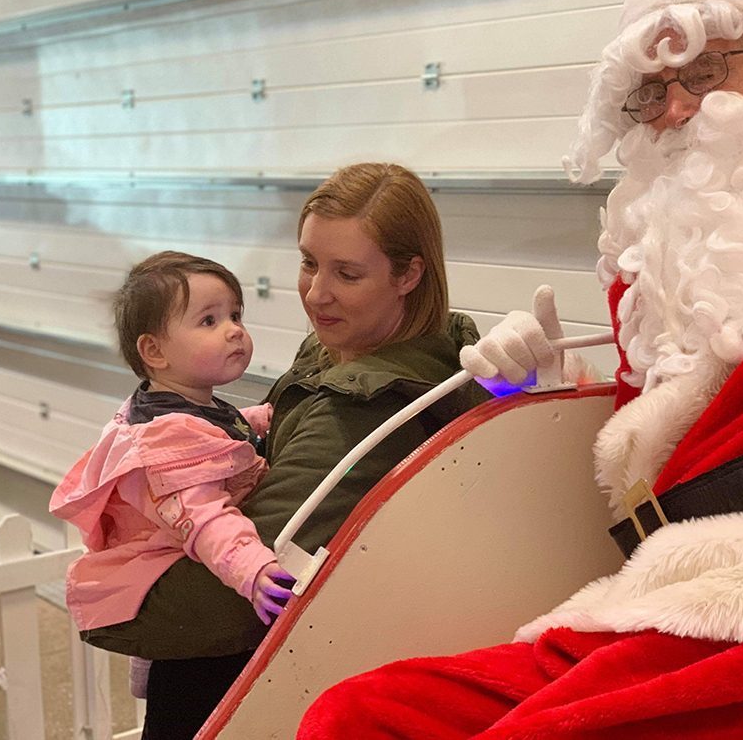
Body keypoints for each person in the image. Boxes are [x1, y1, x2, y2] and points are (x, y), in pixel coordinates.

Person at [298, 0, 743, 737]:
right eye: (648, 92)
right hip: (678, 585)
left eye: (703, 72)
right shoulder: (648, 272)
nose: (674, 111)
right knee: (359, 713)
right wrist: (530, 392)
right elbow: (647, 469)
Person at [75, 163, 489, 739]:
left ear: (408, 274)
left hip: (240, 682)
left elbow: (241, 601)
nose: (317, 293)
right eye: (308, 262)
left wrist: (109, 606)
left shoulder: (361, 405)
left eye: (346, 273)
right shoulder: (333, 351)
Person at [49, 251, 295, 699]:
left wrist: (262, 419)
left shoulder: (180, 404)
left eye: (235, 314)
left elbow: (222, 430)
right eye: (208, 321)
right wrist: (253, 570)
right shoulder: (168, 443)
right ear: (154, 351)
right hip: (175, 569)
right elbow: (204, 518)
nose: (234, 329)